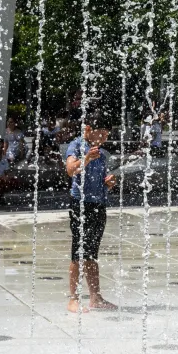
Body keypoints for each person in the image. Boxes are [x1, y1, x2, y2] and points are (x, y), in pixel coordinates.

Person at [65, 123, 118, 313]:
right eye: (101, 134)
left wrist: (109, 183)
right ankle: (73, 299)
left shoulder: (101, 154)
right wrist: (86, 158)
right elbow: (71, 169)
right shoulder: (76, 146)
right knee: (78, 252)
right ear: (88, 129)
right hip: (80, 204)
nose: (104, 138)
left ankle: (95, 297)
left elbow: (101, 181)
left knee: (92, 253)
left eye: (107, 135)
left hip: (98, 204)